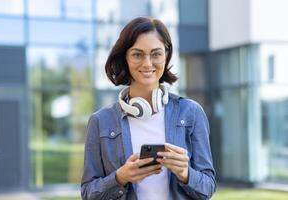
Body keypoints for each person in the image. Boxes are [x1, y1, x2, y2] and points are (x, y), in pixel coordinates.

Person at [81, 16, 216, 200]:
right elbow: (88, 193)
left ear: (166, 55)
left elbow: (207, 187)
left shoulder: (191, 113)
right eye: (137, 54)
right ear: (125, 58)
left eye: (156, 54)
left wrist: (186, 173)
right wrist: (120, 177)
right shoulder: (100, 121)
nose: (147, 63)